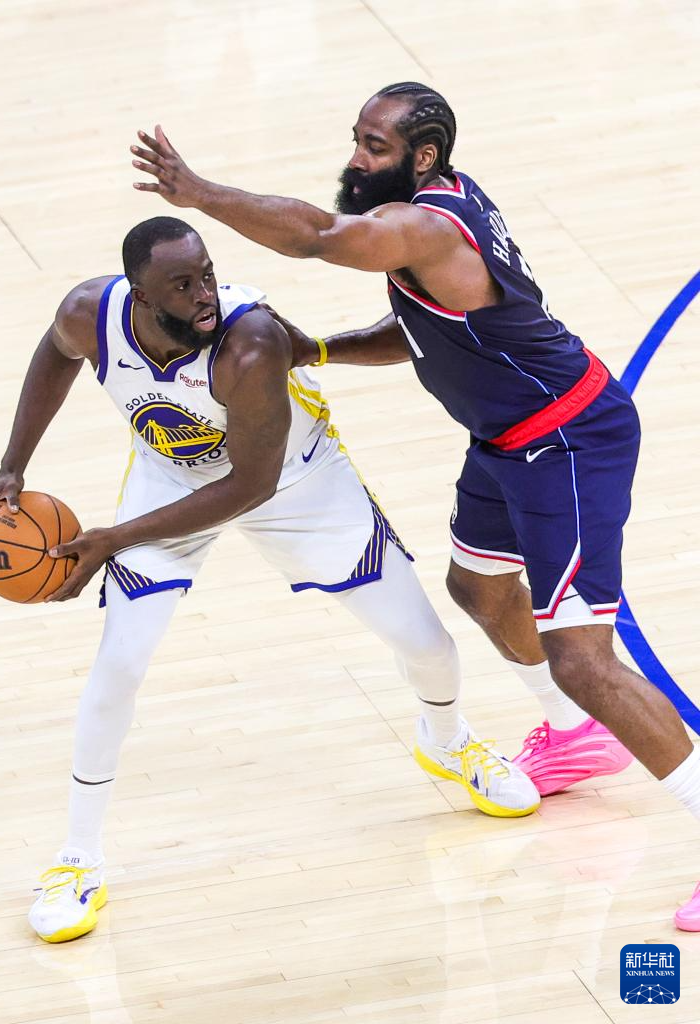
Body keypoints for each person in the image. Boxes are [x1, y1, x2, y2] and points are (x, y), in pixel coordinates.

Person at [128, 86, 700, 930]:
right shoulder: (429, 223)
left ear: (423, 156)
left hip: (568, 442)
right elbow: (422, 331)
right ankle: (577, 737)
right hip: (508, 440)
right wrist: (321, 350)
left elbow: (319, 238)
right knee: (479, 589)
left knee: (583, 659)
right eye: (357, 139)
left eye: (375, 146)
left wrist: (200, 193)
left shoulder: (426, 226)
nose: (357, 159)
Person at [0, 216, 540, 944]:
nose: (204, 293)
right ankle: (77, 859)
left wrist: (114, 539)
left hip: (295, 484)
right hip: (170, 479)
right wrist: (11, 467)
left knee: (428, 645)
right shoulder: (90, 314)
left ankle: (447, 738)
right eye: (181, 285)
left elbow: (250, 485)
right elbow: (57, 352)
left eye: (207, 274)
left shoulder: (252, 342)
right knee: (119, 665)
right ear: (139, 296)